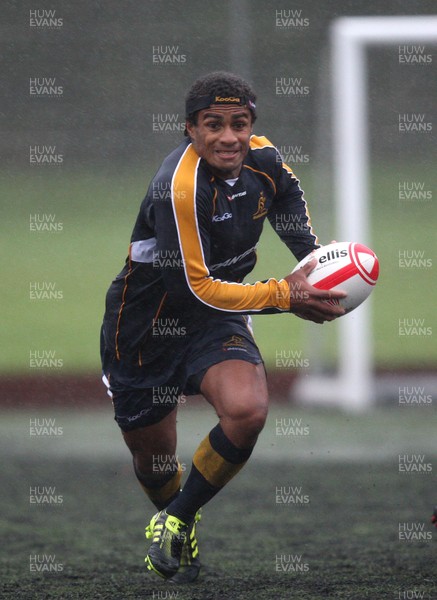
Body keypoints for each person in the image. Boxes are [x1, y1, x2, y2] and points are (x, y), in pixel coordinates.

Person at [100, 71, 345, 583]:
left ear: (252, 125)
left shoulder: (264, 159)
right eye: (213, 124)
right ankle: (173, 513)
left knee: (247, 410)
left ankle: (177, 519)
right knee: (154, 461)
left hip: (215, 316)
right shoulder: (180, 187)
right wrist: (285, 294)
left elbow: (287, 199)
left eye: (240, 123)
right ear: (190, 129)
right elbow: (194, 288)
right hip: (145, 326)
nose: (229, 137)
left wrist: (315, 263)